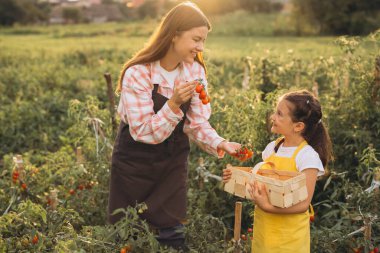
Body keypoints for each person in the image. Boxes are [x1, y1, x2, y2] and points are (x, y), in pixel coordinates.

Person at [108, 2, 241, 250]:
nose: (201, 47)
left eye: (204, 41)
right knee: (128, 237)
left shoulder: (195, 71)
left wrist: (221, 143)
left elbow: (197, 123)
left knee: (172, 238)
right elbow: (142, 131)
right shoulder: (138, 73)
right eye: (196, 39)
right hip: (134, 165)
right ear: (173, 35)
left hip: (171, 164)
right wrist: (174, 102)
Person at [223, 90, 333, 253]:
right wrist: (235, 176)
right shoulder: (273, 148)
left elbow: (303, 204)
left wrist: (268, 207)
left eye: (280, 114)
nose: (273, 117)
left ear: (298, 126)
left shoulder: (306, 157)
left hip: (289, 239)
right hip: (264, 232)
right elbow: (260, 183)